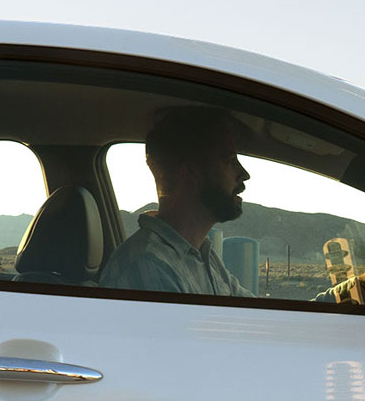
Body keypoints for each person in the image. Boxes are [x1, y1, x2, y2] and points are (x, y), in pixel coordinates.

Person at [100, 106, 254, 297]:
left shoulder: (203, 255)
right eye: (229, 161)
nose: (244, 174)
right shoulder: (149, 266)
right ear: (190, 173)